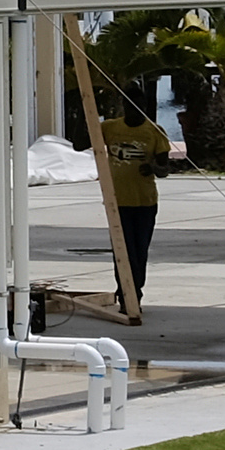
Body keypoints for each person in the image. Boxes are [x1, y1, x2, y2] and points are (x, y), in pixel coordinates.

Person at [90, 89, 171, 297]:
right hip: (118, 201)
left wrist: (153, 167)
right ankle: (126, 290)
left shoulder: (154, 131)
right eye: (129, 105)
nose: (134, 110)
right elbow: (80, 143)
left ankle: (136, 287)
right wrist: (87, 112)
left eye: (138, 106)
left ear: (144, 106)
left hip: (145, 201)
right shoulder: (110, 127)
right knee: (122, 249)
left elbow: (164, 170)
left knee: (140, 248)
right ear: (123, 106)